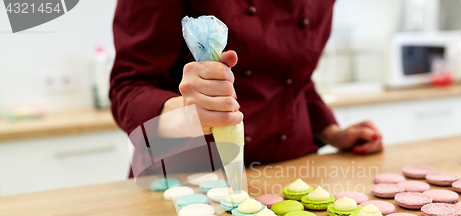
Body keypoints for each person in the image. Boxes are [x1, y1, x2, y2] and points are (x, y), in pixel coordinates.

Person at [110, 1, 383, 178]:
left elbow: (295, 78)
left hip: (291, 171)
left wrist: (333, 134)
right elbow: (130, 86)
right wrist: (187, 113)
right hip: (189, 174)